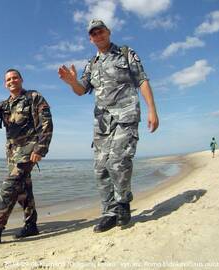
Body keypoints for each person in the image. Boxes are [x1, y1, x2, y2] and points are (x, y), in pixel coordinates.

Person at [57, 19, 159, 233]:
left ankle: (122, 203)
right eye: (93, 33)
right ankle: (109, 213)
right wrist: (72, 82)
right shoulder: (91, 63)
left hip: (126, 113)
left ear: (108, 32)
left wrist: (152, 110)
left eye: (100, 31)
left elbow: (142, 80)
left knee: (118, 160)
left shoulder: (125, 52)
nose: (98, 35)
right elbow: (81, 90)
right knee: (100, 168)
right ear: (90, 39)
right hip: (102, 122)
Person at [0, 69, 53, 245]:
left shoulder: (33, 97)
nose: (11, 81)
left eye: (14, 78)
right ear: (5, 84)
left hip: (29, 151)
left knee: (9, 187)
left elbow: (46, 124)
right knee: (23, 190)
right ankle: (31, 224)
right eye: (8, 79)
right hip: (12, 154)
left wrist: (40, 148)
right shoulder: (6, 104)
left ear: (21, 79)